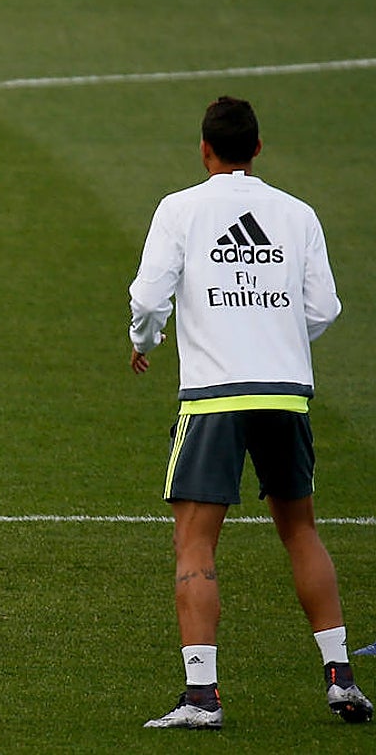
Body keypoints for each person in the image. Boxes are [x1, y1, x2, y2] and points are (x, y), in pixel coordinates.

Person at [129, 96, 371, 729]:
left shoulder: (179, 209)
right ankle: (341, 679)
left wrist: (144, 341)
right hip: (286, 391)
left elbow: (150, 297)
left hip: (216, 395)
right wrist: (278, 339)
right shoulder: (298, 213)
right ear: (258, 148)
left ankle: (202, 697)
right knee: (301, 530)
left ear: (204, 149)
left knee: (194, 542)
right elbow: (325, 309)